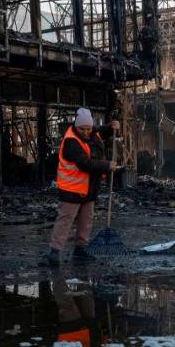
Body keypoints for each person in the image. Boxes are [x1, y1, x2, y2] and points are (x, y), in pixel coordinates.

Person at [47, 108, 119, 266]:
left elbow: (99, 133)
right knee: (65, 220)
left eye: (89, 128)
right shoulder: (71, 141)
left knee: (86, 221)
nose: (86, 132)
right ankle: (55, 252)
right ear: (76, 126)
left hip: (88, 189)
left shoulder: (92, 133)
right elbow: (84, 164)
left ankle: (80, 250)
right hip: (71, 190)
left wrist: (110, 127)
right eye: (83, 129)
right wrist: (106, 165)